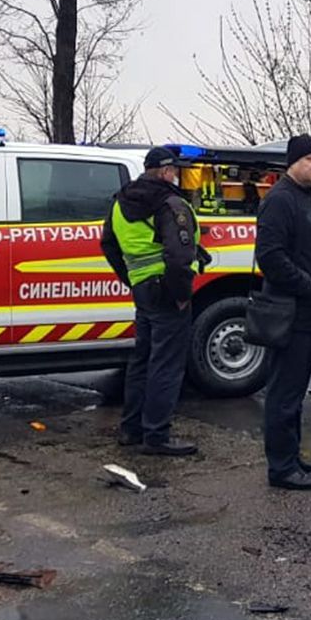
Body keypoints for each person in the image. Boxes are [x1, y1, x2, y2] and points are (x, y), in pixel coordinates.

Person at [101, 146, 210, 456]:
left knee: (141, 361)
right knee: (167, 365)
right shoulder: (170, 203)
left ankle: (131, 429)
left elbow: (108, 244)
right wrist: (180, 295)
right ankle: (157, 435)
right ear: (164, 172)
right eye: (174, 170)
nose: (176, 175)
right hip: (167, 291)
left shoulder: (120, 201)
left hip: (142, 289)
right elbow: (178, 256)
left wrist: (131, 278)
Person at [255, 134, 311, 491]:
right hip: (292, 312)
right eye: (310, 159)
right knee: (284, 393)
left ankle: (292, 456)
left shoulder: (307, 198)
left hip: (310, 313)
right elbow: (271, 256)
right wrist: (308, 285)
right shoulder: (281, 200)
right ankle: (281, 468)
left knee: (296, 391)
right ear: (293, 163)